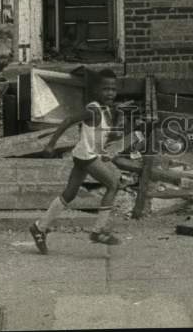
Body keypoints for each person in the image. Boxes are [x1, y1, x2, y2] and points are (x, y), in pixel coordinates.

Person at [30, 69, 131, 251]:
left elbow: (110, 136)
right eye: (105, 89)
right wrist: (51, 144)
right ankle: (98, 231)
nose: (110, 93)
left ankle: (39, 227)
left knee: (69, 194)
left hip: (83, 155)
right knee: (113, 184)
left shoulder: (105, 110)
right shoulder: (93, 109)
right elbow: (69, 120)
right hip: (87, 156)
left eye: (113, 89)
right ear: (96, 91)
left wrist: (121, 117)